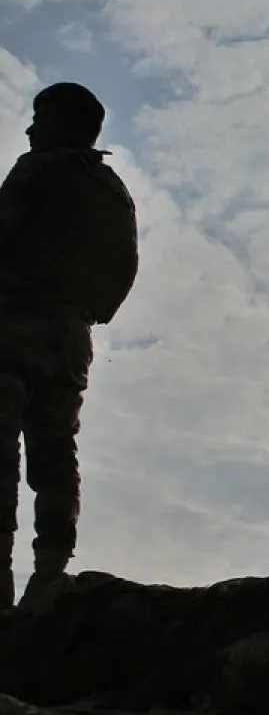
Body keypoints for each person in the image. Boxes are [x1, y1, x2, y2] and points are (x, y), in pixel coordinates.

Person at [0, 82, 139, 610]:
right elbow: (121, 272)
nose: (33, 128)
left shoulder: (37, 171)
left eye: (42, 117)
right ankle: (51, 571)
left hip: (15, 326)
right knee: (55, 451)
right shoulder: (112, 189)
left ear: (65, 123)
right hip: (71, 338)